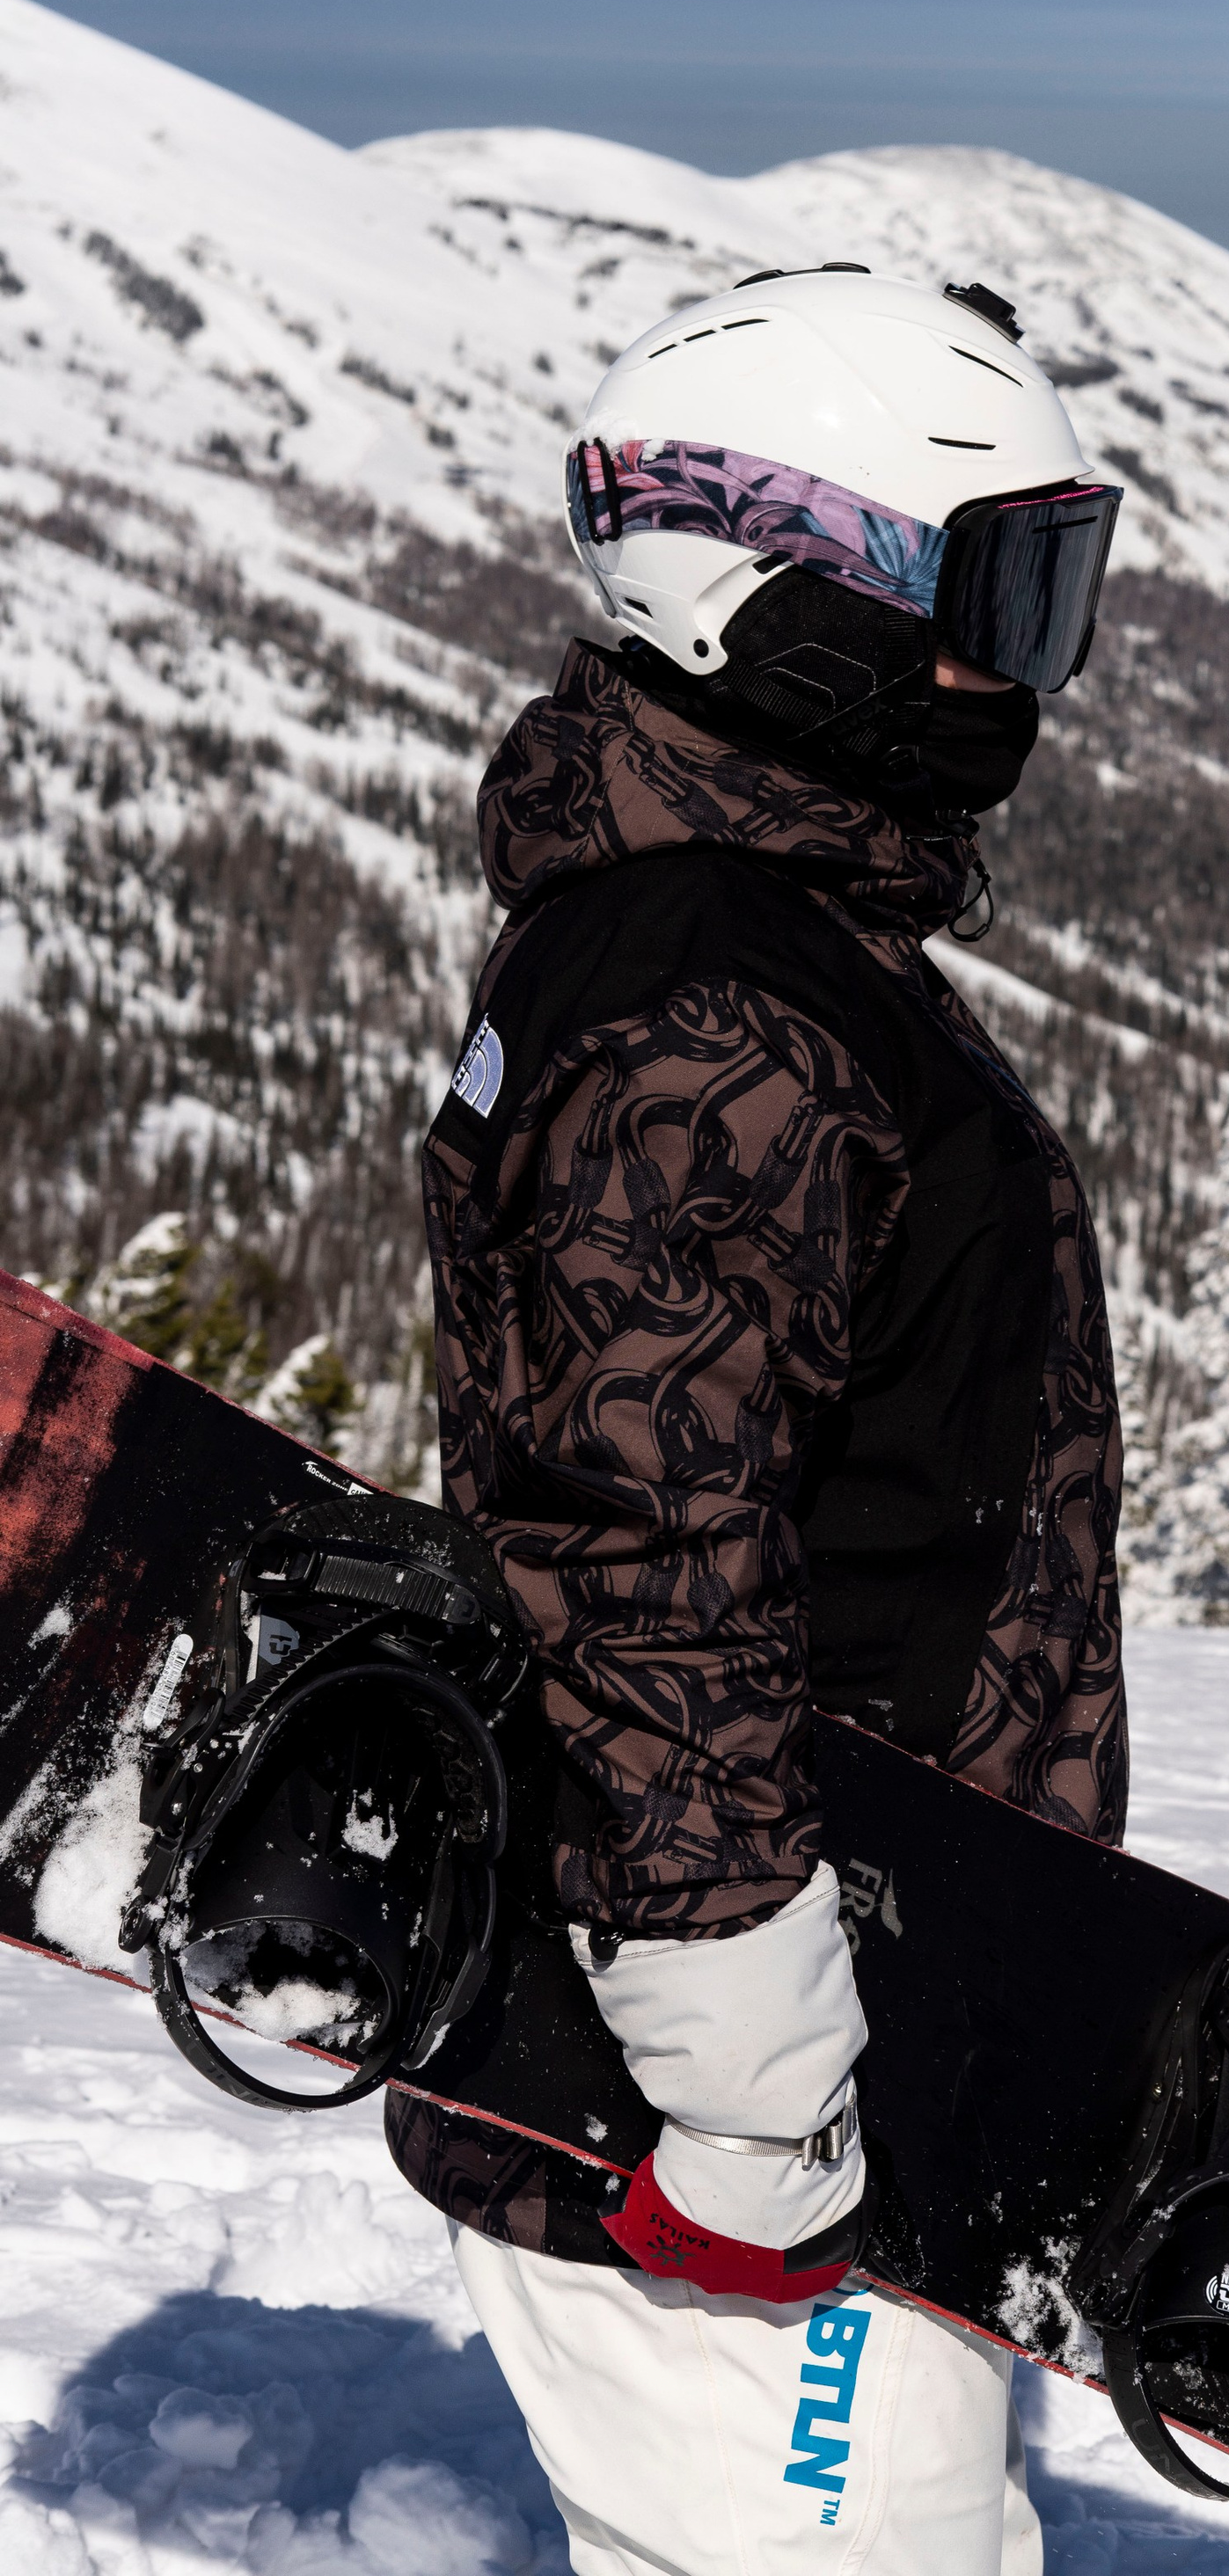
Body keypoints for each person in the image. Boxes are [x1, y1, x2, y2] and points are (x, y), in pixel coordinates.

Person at [386, 264, 1130, 2576]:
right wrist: (757, 2093)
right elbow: (638, 1557)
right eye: (998, 592)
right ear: (796, 597)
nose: (1030, 667)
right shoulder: (712, 1005)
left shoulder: (735, 945)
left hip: (830, 2002)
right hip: (725, 2068)